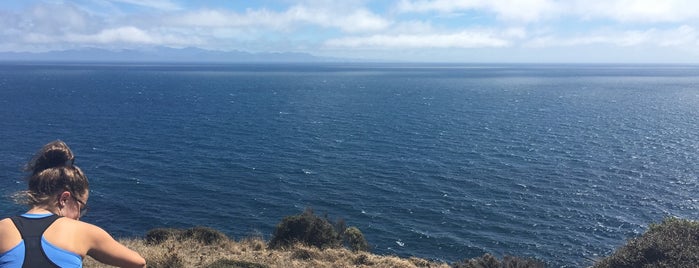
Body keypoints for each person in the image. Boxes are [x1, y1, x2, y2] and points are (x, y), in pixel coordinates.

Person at [0, 140, 146, 268]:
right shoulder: (82, 231)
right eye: (81, 208)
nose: (78, 217)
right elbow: (138, 263)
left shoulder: (3, 227)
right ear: (64, 199)